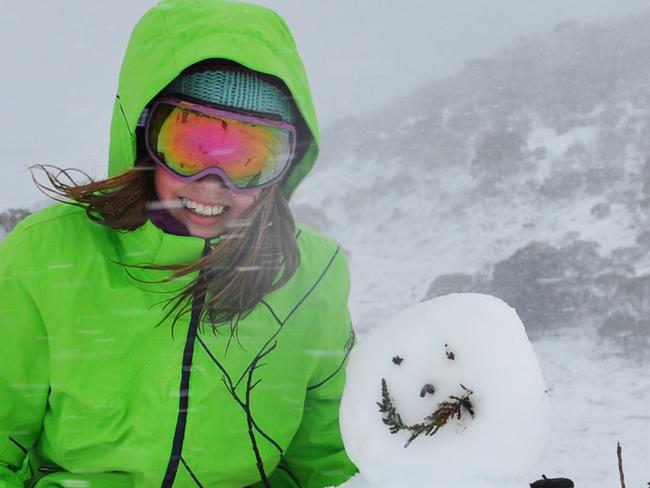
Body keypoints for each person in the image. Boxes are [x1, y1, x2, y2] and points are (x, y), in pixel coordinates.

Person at [0, 0, 357, 486]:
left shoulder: (313, 275)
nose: (214, 183)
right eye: (190, 145)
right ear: (144, 133)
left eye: (251, 156)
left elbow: (327, 459)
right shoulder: (49, 254)